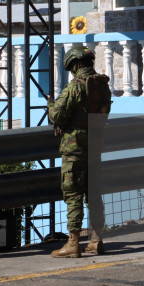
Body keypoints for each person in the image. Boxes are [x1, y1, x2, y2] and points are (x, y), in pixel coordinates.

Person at [48, 45, 109, 258]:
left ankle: (73, 243)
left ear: (75, 65)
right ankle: (96, 239)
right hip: (94, 147)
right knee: (94, 195)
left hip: (74, 151)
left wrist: (51, 104)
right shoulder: (102, 85)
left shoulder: (74, 87)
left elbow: (57, 116)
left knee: (73, 194)